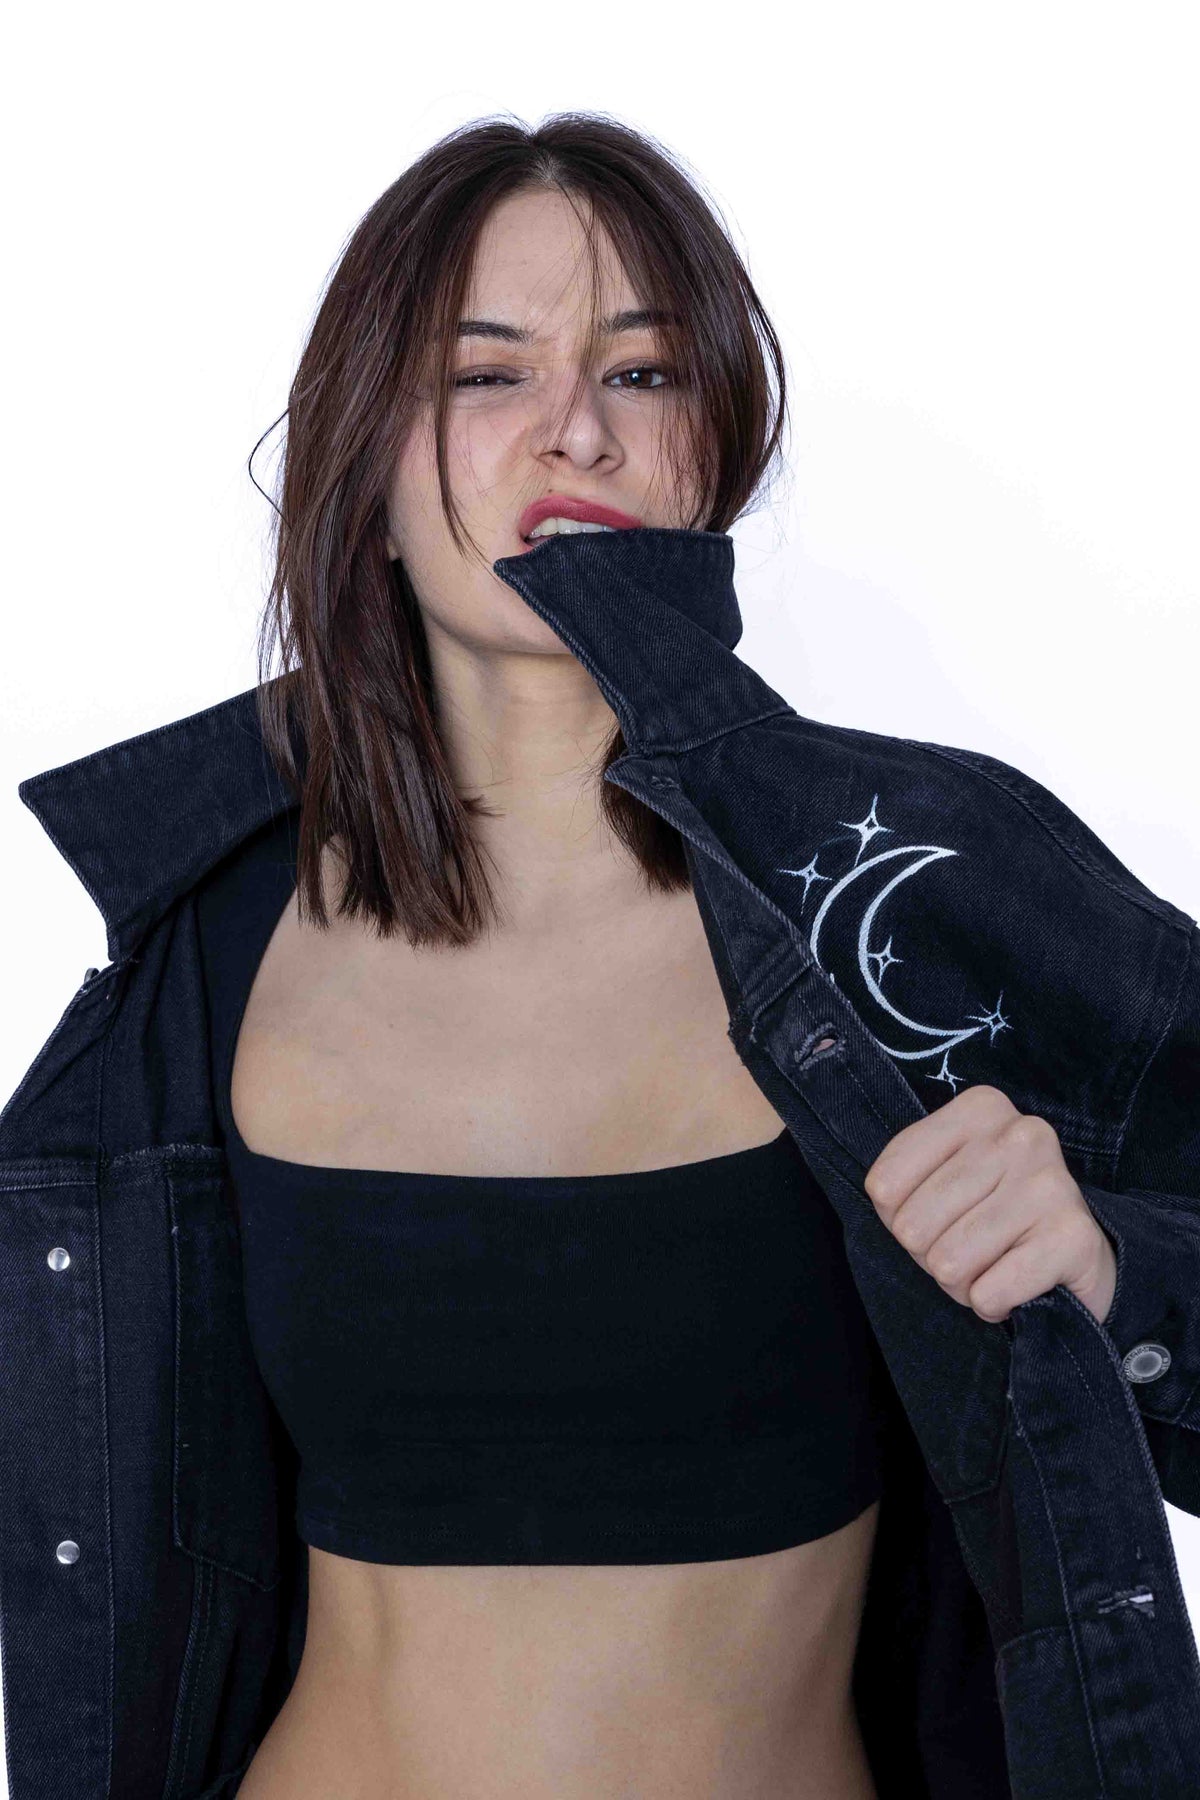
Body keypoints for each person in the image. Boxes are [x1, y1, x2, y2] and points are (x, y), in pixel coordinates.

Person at [212, 114, 886, 1798]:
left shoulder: (892, 916)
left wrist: (1106, 1270)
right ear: (368, 477)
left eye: (642, 375)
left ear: (714, 455)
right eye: (485, 375)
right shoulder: (201, 946)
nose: (576, 428)